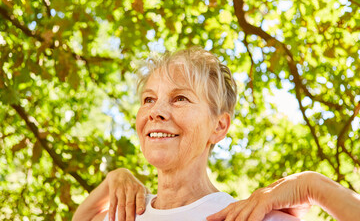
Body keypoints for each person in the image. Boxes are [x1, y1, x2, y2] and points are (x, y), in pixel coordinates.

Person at [72, 48, 360, 221]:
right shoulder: (124, 214)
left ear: (219, 126)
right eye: (148, 99)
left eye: (180, 98)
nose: (155, 112)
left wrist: (311, 186)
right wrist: (111, 182)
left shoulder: (248, 218)